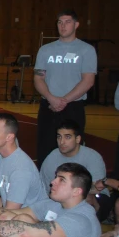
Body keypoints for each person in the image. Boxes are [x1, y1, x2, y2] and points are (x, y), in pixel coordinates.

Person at [33, 9, 97, 168]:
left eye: (67, 22)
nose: (63, 26)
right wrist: (51, 98)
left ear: (76, 25)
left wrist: (64, 100)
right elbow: (38, 78)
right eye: (60, 22)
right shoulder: (45, 50)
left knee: (72, 149)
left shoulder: (86, 50)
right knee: (45, 147)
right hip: (48, 105)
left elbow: (88, 81)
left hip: (72, 106)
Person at [38, 120, 109, 220]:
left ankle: (89, 228)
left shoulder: (92, 157)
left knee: (86, 199)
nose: (62, 142)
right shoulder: (52, 157)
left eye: (67, 137)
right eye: (59, 136)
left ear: (77, 139)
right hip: (62, 196)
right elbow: (43, 186)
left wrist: (66, 194)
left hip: (94, 196)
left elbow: (97, 187)